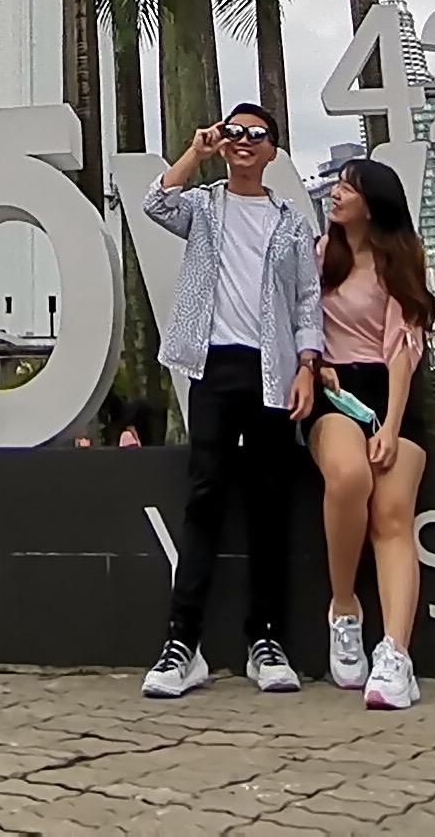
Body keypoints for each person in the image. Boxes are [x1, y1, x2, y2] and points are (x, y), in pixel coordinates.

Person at [139, 102, 323, 700]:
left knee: (269, 506)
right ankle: (182, 644)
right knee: (204, 500)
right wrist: (195, 151)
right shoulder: (204, 205)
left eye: (256, 134)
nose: (243, 141)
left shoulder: (292, 221)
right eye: (235, 132)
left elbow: (307, 301)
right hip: (213, 365)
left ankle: (265, 641)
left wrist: (307, 366)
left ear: (273, 150)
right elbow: (155, 203)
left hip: (272, 370)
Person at [308, 155, 435, 710]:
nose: (336, 194)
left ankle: (395, 655)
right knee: (348, 476)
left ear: (373, 202)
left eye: (348, 188)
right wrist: (314, 365)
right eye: (337, 185)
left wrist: (390, 424)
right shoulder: (320, 255)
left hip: (393, 392)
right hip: (334, 391)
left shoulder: (402, 259)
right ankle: (344, 609)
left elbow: (403, 349)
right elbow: (298, 322)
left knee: (392, 512)